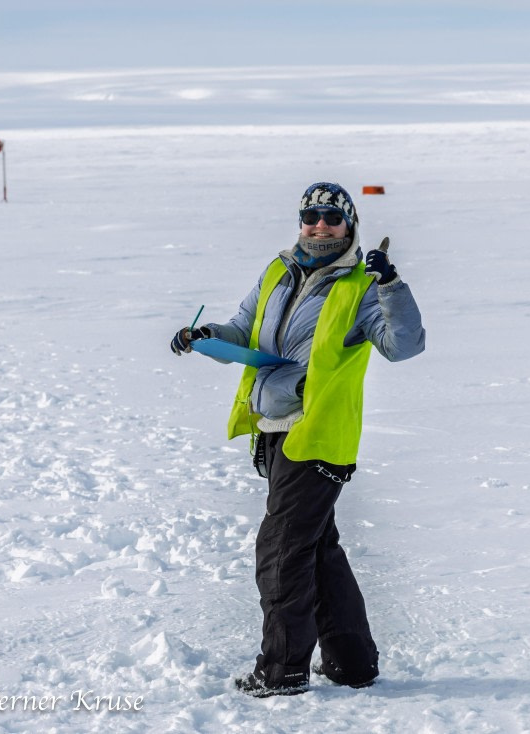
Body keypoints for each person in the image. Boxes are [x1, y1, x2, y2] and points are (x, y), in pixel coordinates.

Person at [170, 182, 425, 697]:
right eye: (312, 216)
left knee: (282, 551)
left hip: (317, 435)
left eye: (333, 217)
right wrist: (203, 337)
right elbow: (245, 329)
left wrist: (392, 285)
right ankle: (353, 663)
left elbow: (405, 345)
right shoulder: (278, 271)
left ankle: (282, 669)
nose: (320, 225)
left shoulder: (361, 285)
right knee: (316, 549)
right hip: (273, 430)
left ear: (349, 224)